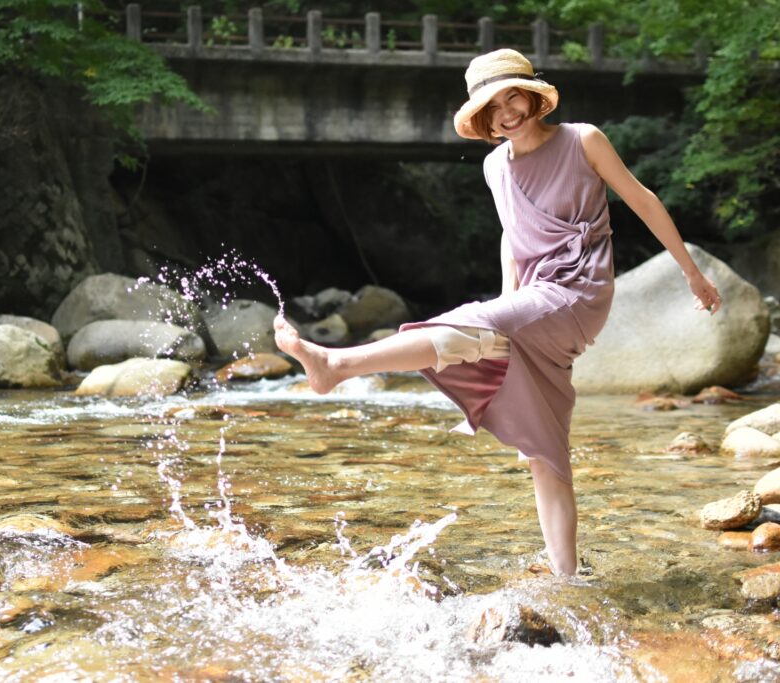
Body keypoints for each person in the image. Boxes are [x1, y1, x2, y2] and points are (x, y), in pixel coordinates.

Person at [274, 48, 723, 576]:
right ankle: (567, 578)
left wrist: (691, 273)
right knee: (546, 453)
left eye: (514, 96)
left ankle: (338, 365)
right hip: (531, 300)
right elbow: (512, 237)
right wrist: (506, 303)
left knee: (475, 321)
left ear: (533, 95)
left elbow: (643, 199)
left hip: (577, 292)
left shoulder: (584, 140)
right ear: (483, 118)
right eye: (493, 106)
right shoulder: (494, 166)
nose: (507, 112)